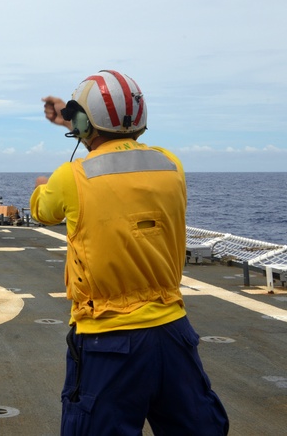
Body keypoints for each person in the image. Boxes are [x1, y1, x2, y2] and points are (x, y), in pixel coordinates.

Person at [30, 70, 228, 436]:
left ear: (85, 124)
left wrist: (42, 185)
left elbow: (44, 212)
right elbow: (122, 157)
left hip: (108, 339)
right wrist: (77, 118)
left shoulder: (70, 177)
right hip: (173, 332)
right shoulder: (171, 165)